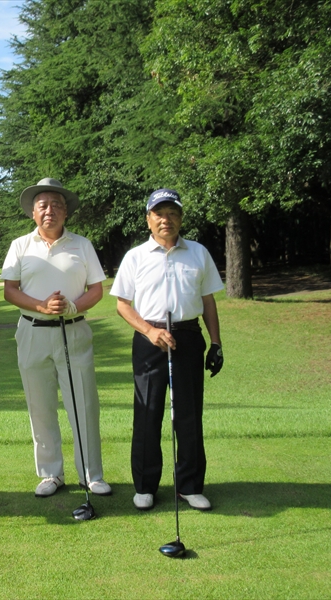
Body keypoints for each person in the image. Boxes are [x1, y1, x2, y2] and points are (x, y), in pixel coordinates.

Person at [109, 188, 224, 512]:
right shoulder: (135, 256)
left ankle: (189, 486)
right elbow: (122, 304)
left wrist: (216, 343)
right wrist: (149, 331)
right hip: (149, 339)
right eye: (159, 214)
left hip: (188, 337)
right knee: (147, 414)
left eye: (172, 213)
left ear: (181, 218)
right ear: (148, 219)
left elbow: (208, 302)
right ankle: (145, 486)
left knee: (188, 415)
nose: (166, 220)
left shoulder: (198, 252)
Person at [0, 178, 111, 501]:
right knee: (40, 405)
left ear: (66, 212)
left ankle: (91, 474)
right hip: (32, 332)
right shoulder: (21, 245)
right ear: (33, 213)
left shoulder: (82, 245)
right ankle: (51, 473)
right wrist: (41, 306)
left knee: (84, 404)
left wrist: (73, 306)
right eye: (43, 205)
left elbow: (96, 289)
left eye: (56, 205)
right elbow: (10, 290)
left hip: (73, 330)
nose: (49, 211)